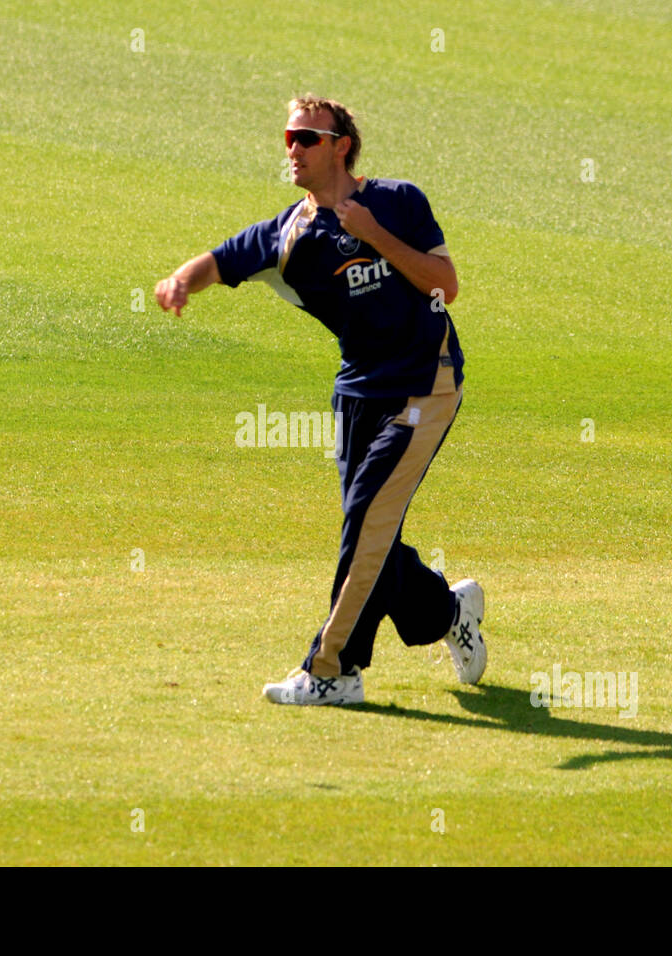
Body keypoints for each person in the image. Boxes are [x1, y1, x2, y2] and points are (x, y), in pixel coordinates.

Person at [154, 94, 486, 705]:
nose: (293, 149)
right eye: (288, 137)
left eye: (307, 138)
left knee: (365, 521)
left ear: (342, 145)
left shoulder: (397, 202)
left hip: (425, 383)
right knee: (371, 533)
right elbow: (222, 260)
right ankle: (445, 611)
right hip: (356, 392)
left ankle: (333, 670)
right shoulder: (291, 233)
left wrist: (374, 235)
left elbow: (446, 284)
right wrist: (181, 280)